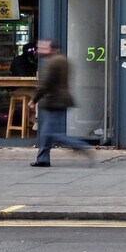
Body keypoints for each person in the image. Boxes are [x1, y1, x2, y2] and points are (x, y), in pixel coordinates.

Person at [31, 38, 94, 167]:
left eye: (43, 47)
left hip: (54, 101)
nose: (39, 50)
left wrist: (34, 100)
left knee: (51, 133)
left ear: (51, 49)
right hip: (60, 100)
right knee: (47, 133)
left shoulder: (52, 62)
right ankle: (43, 159)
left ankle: (82, 146)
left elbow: (45, 84)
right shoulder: (63, 60)